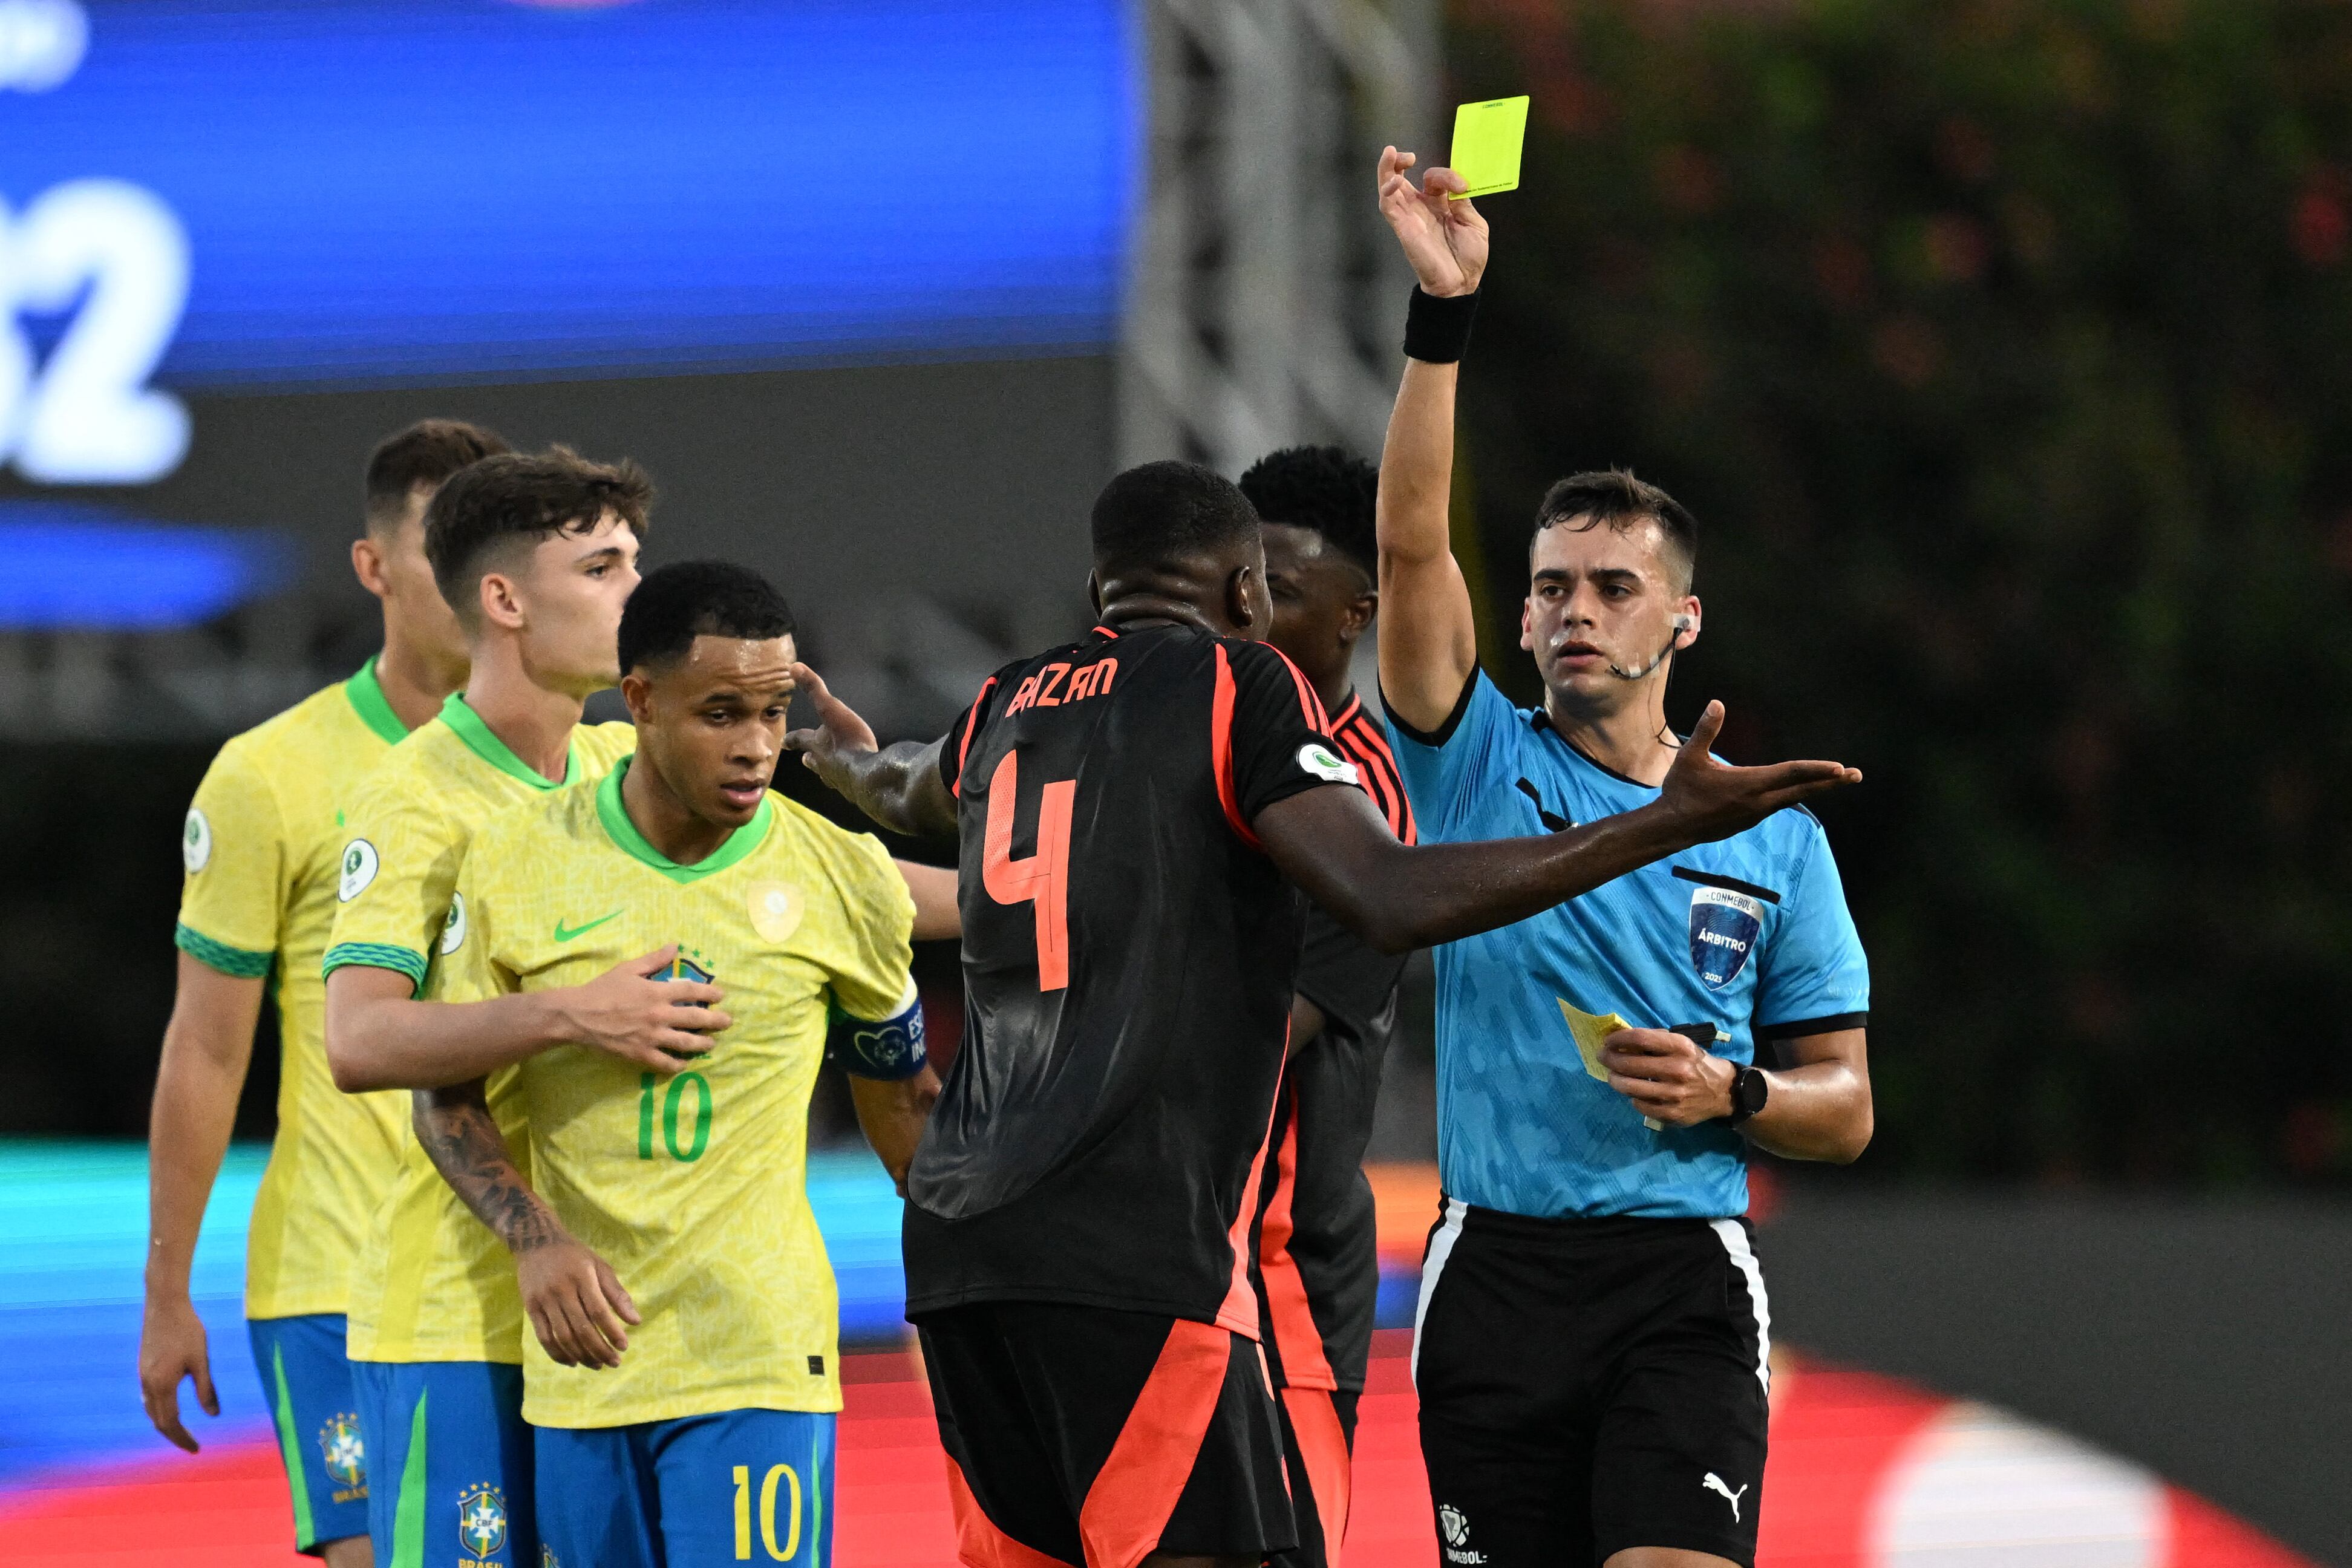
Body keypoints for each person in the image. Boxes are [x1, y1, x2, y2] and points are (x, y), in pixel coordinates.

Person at [785, 459, 1858, 1568]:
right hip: (1158, 1248)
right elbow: (1387, 896)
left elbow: (916, 785)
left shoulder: (1016, 696)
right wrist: (1652, 830)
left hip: (966, 1252)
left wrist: (838, 758)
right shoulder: (1249, 700)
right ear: (1243, 593)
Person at [1371, 147, 1876, 1568]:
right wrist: (1442, 315)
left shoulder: (1773, 834)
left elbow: (1845, 1110)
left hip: (1678, 1276)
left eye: (1611, 587)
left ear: (1684, 623)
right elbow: (1412, 550)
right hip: (1493, 1274)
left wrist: (1738, 1087)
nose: (1572, 612)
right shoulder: (1474, 761)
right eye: (1547, 589)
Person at [414, 559, 938, 1568]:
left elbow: (910, 1119)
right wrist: (534, 1240)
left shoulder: (840, 878)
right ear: (641, 700)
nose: (756, 748)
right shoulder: (518, 859)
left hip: (758, 1358)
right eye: (721, 714)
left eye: (775, 713)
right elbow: (446, 1097)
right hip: (583, 1364)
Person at [140, 418, 509, 1567]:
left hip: (498, 1271)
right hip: (332, 1275)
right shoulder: (268, 777)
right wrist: (166, 1291)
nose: (467, 583)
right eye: (438, 547)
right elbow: (206, 1048)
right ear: (373, 568)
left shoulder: (562, 770)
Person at [322, 447, 666, 1568]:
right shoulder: (414, 793)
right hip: (454, 1320)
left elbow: (827, 887)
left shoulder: (622, 770)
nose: (638, 595)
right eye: (604, 567)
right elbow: (360, 1037)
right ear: (505, 600)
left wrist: (1044, 884)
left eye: (635, 564)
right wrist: (574, 1014)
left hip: (608, 1313)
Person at [1236, 443, 1412, 1568]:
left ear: (1356, 613)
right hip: (1170, 1255)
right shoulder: (1209, 744)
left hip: (1278, 1265)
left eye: (1282, 594)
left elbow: (1251, 1036)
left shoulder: (1361, 800)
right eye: (1238, 588)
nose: (1245, 617)